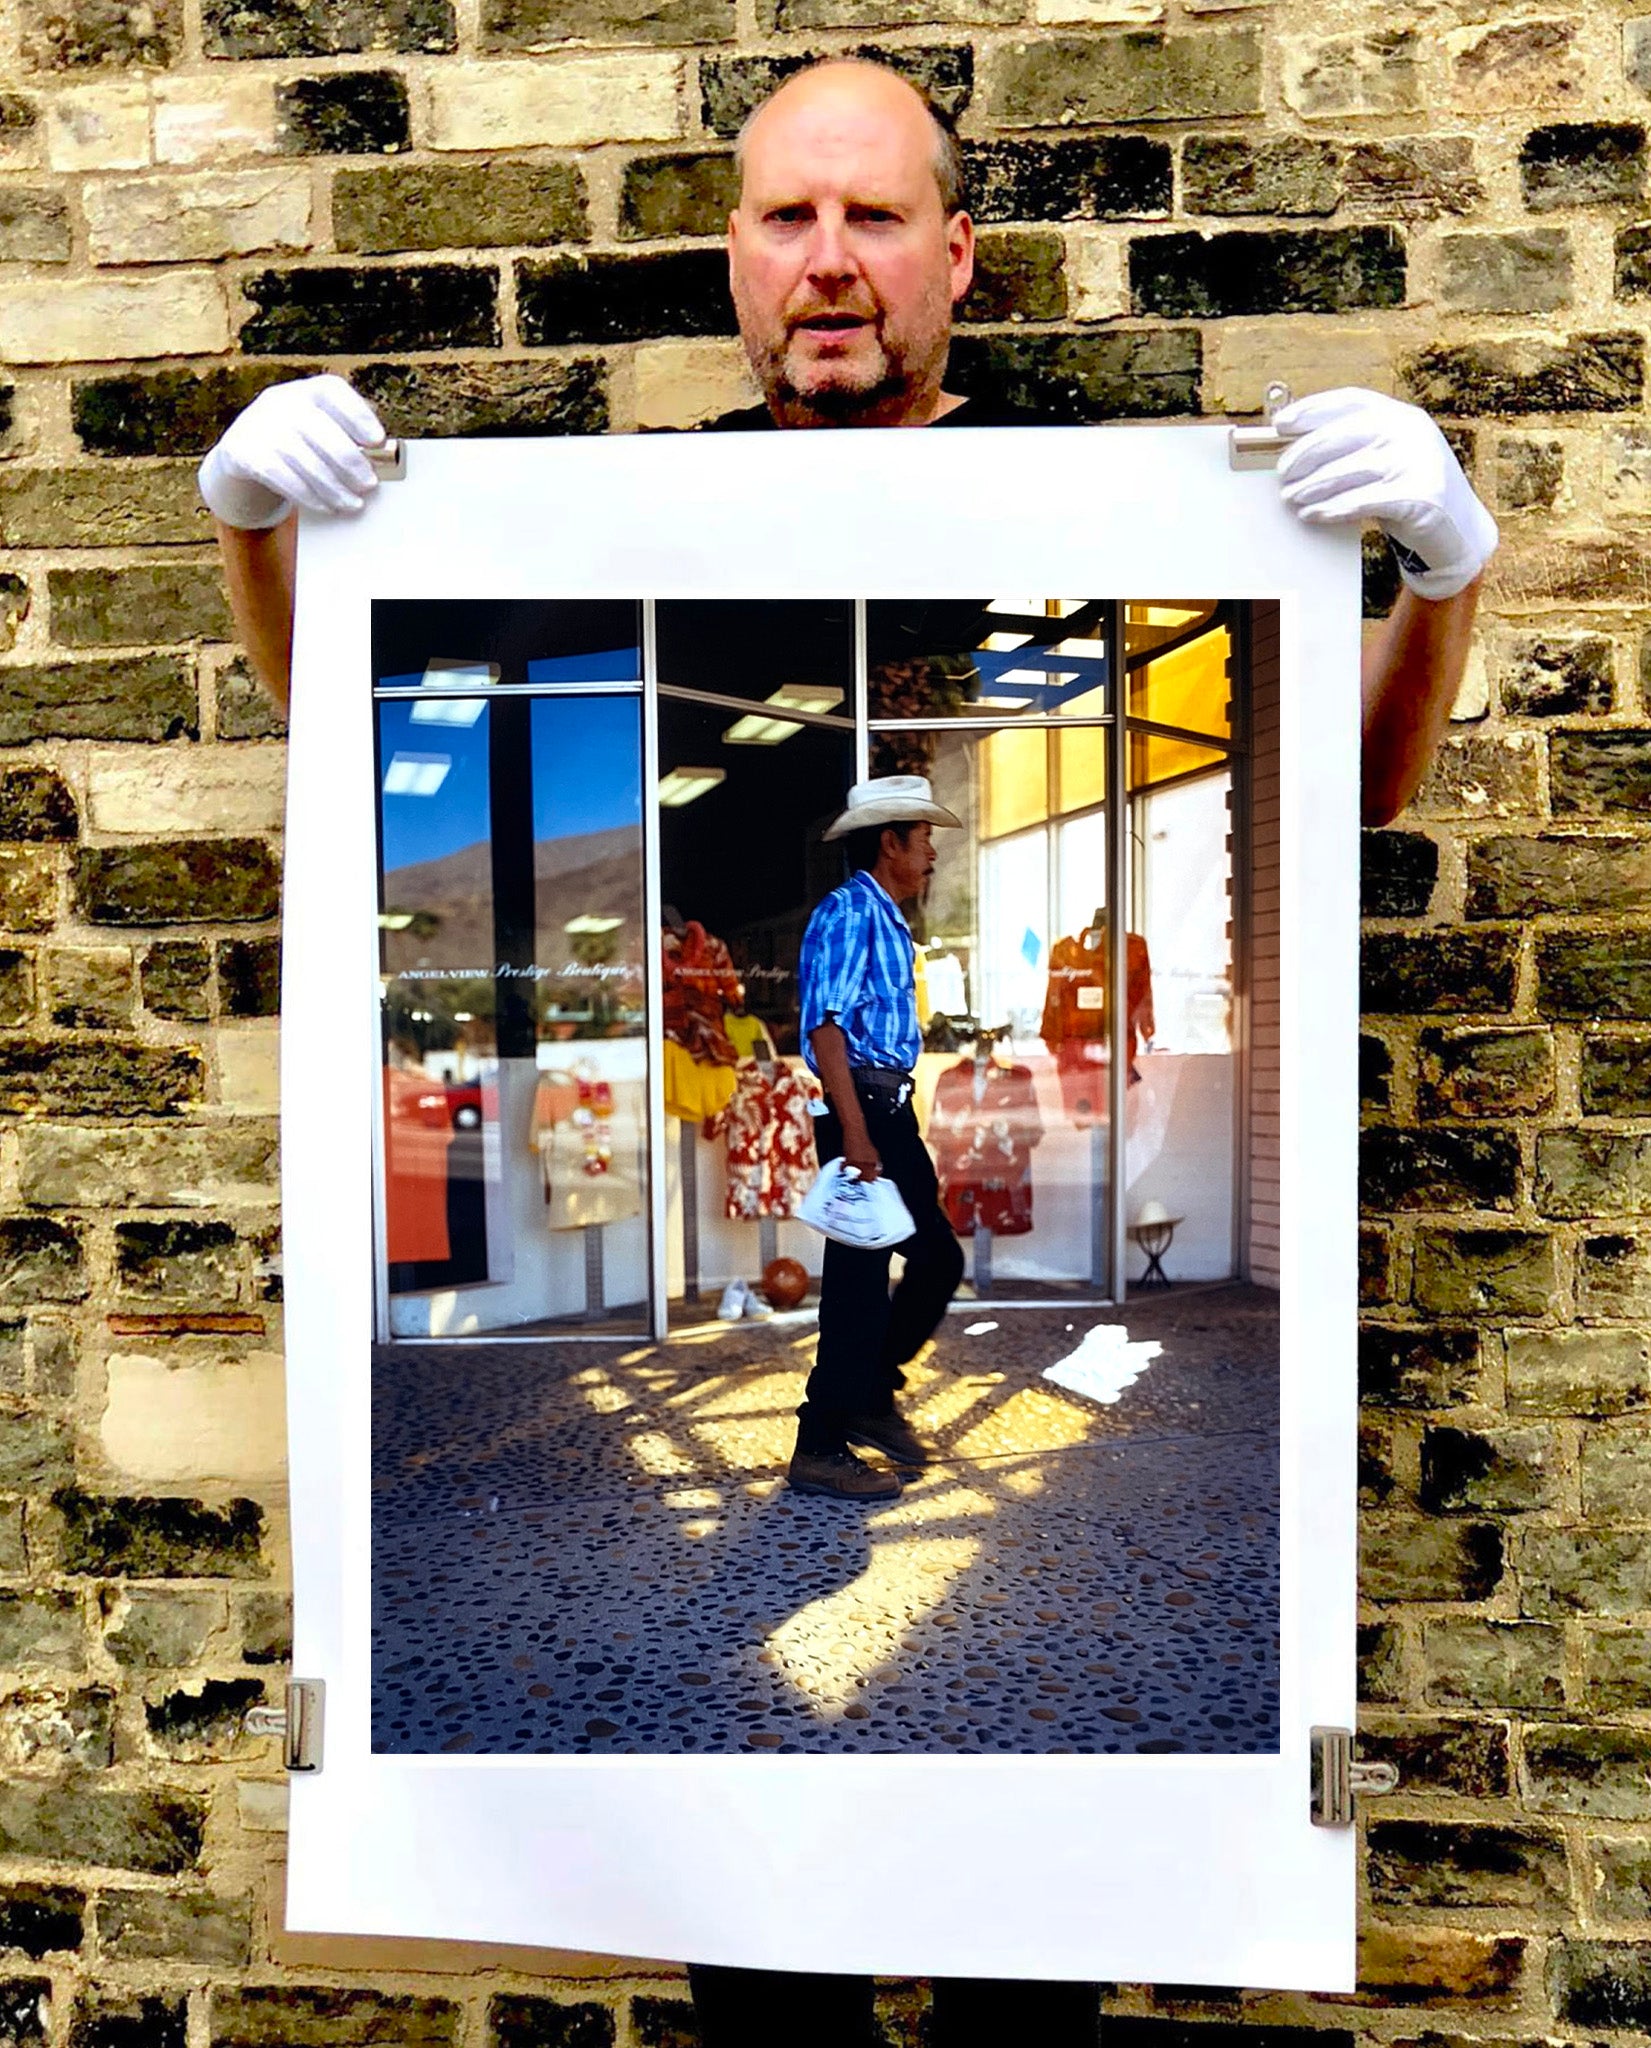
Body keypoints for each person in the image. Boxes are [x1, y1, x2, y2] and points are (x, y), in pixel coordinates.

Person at [196, 51, 1495, 2048]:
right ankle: (838, 1430)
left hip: (877, 1110)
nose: (830, 262)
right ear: (733, 256)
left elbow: (1370, 780)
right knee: (766, 1992)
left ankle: (839, 1427)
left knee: (1028, 1997)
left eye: (873, 218)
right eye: (788, 218)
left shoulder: (1106, 495)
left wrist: (1441, 570)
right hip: (856, 1119)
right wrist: (265, 545)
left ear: (954, 254)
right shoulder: (618, 518)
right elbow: (340, 735)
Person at [789, 775, 965, 1499]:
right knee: (860, 1287)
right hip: (861, 1114)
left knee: (933, 1259)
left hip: (887, 1110)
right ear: (889, 842)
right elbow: (825, 1029)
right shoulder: (847, 912)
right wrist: (857, 1138)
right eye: (923, 840)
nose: (930, 855)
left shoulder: (888, 918)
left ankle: (867, 1395)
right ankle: (821, 1442)